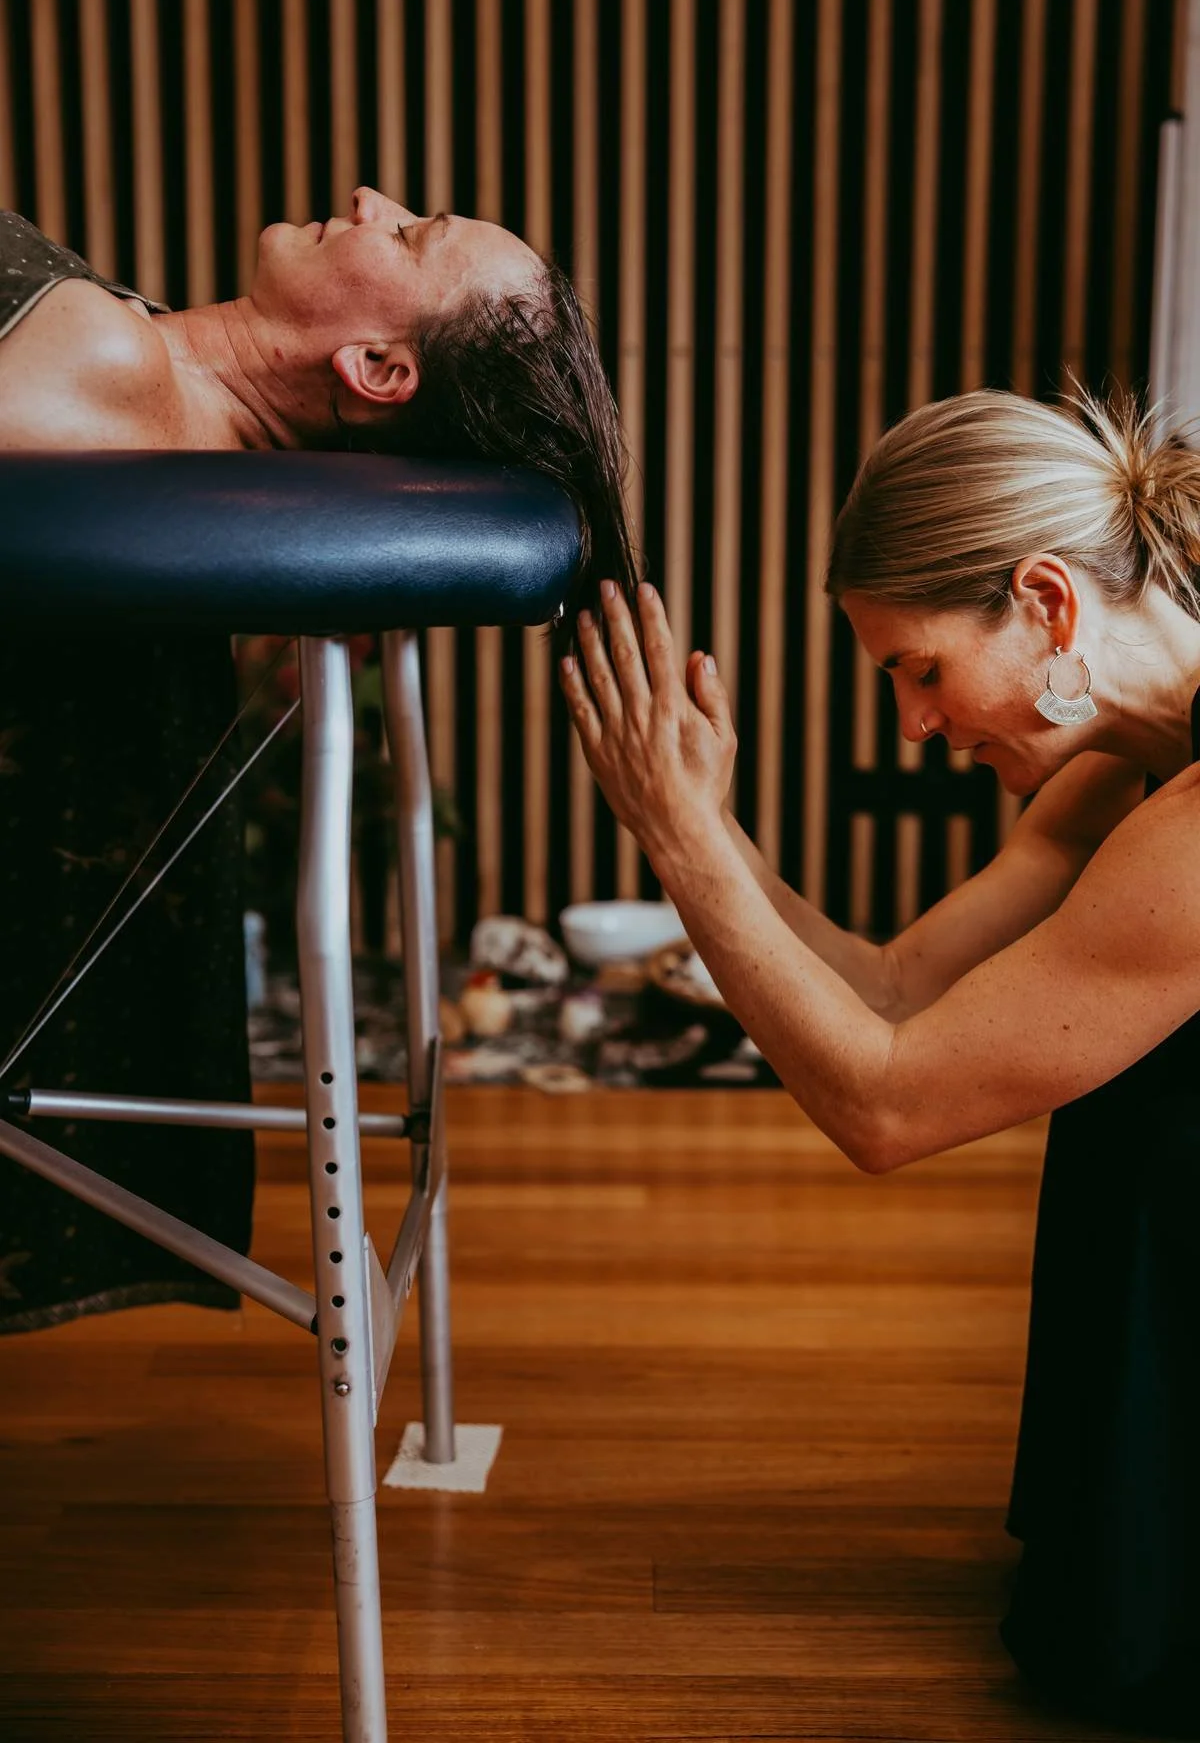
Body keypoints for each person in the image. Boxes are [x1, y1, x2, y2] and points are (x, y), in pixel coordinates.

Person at [558, 385, 1200, 1736]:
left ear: (1046, 602)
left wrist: (683, 847)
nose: (917, 725)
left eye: (920, 669)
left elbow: (888, 1103)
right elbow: (897, 989)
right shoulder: (1116, 775)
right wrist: (705, 830)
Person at [0, 191, 636, 1334]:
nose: (368, 202)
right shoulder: (138, 388)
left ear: (379, 369)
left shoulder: (105, 358)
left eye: (409, 234)